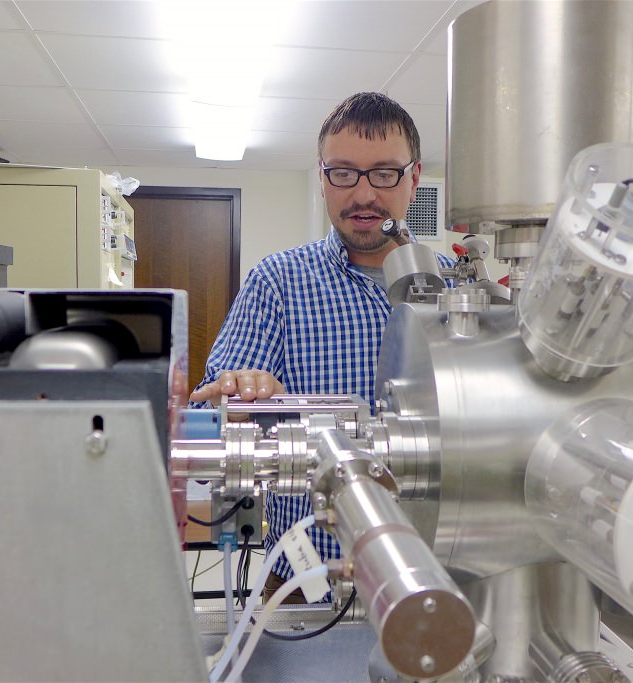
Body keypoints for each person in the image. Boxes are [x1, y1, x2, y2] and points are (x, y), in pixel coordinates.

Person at [189, 92, 455, 601]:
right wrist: (241, 394)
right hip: (306, 578)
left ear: (414, 178)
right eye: (343, 173)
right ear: (322, 177)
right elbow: (216, 406)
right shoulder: (280, 281)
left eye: (383, 173)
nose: (362, 194)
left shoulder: (454, 292)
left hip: (435, 573)